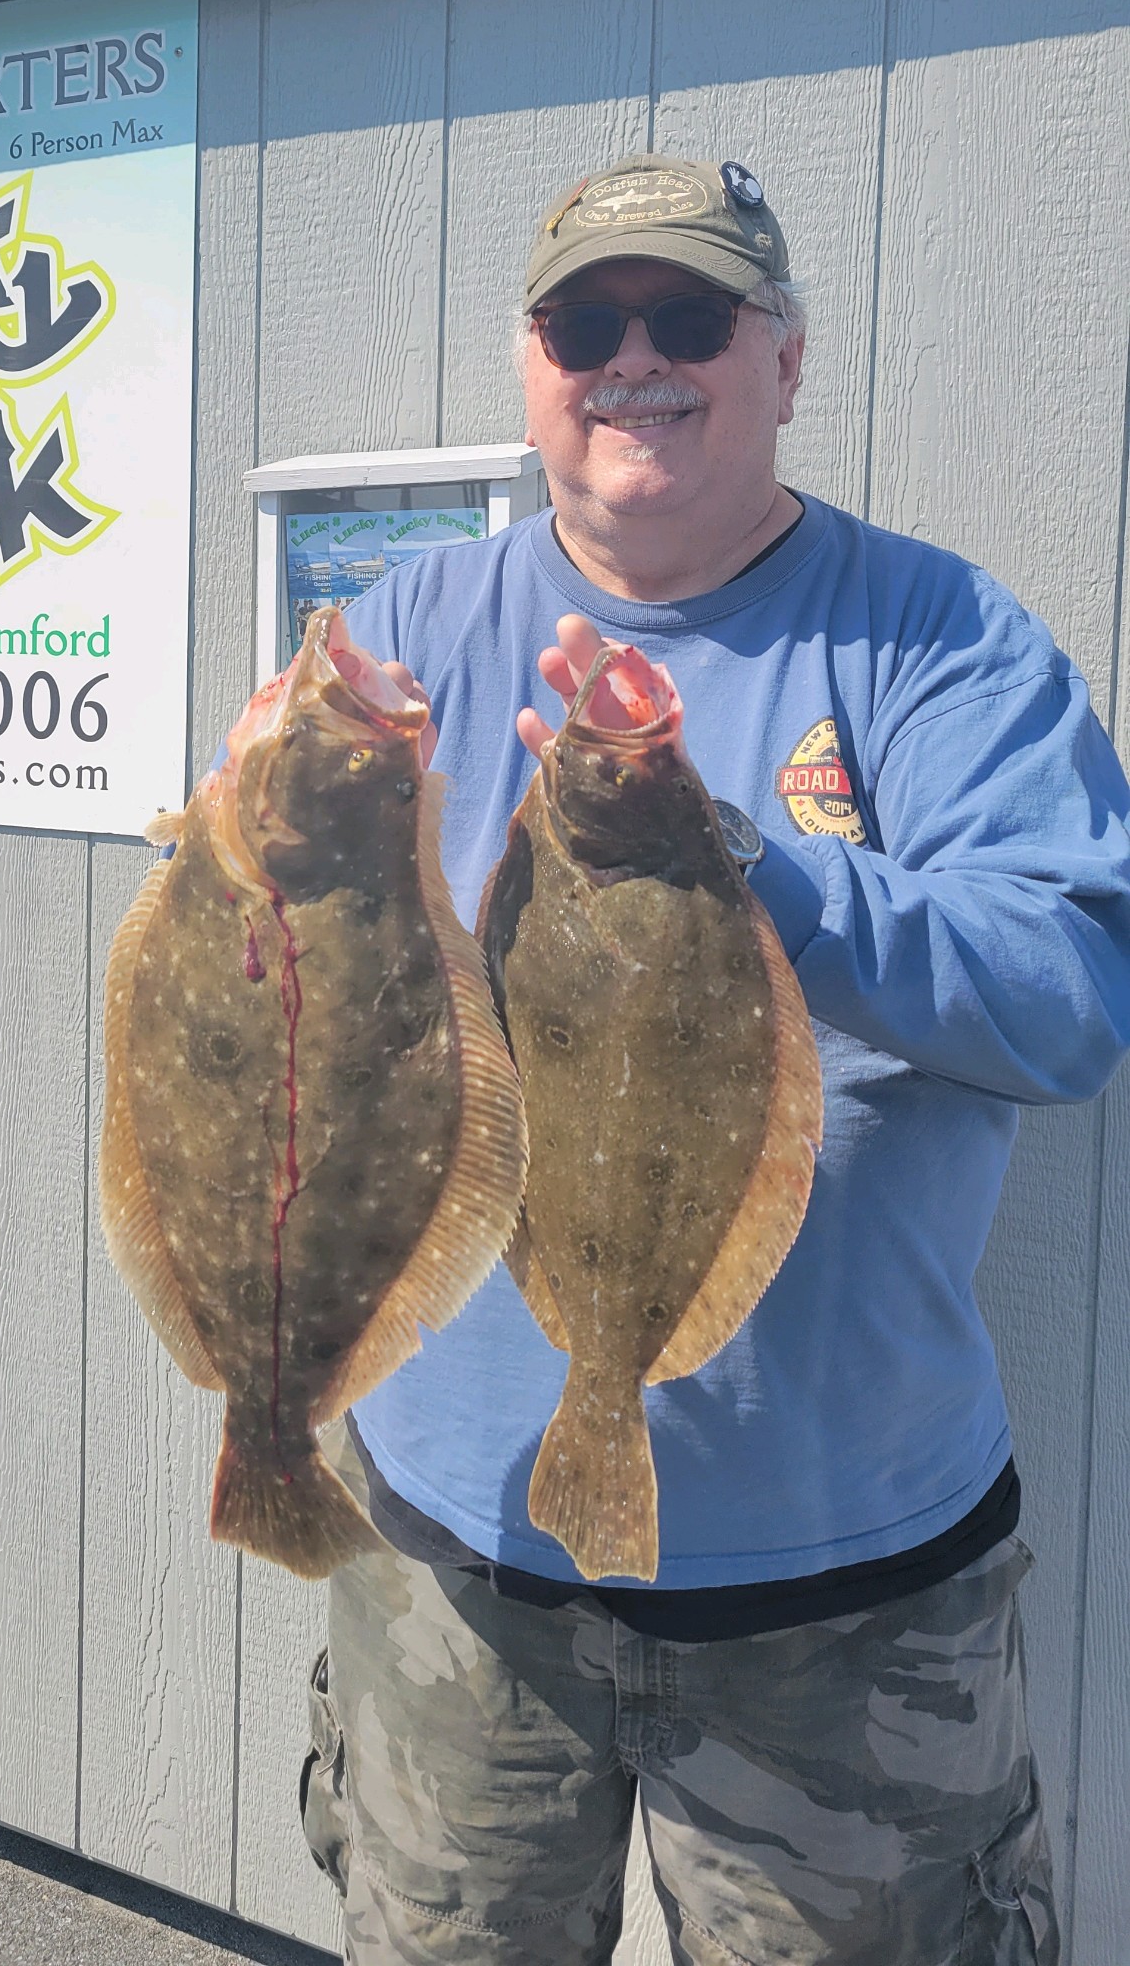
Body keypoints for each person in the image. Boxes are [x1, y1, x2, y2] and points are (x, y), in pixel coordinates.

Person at [307, 153, 1130, 1965]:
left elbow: (1072, 995)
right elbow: (309, 1022)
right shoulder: (406, 633)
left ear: (788, 360)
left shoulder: (943, 643)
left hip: (841, 1599)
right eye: (584, 323)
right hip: (457, 1553)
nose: (634, 361)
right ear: (529, 366)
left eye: (690, 317)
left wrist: (750, 865)